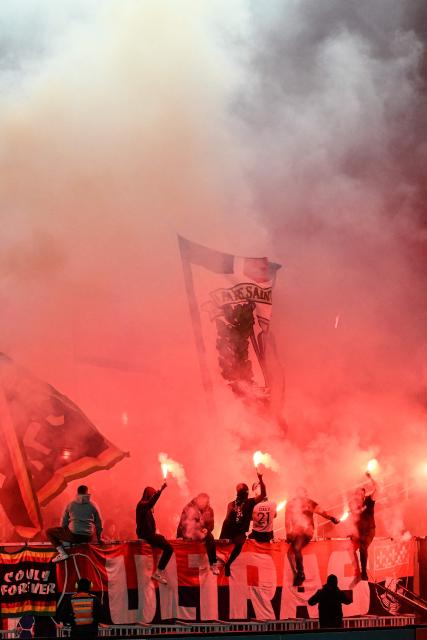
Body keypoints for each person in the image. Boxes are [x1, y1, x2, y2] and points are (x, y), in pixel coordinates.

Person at [285, 487, 339, 586]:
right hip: (296, 532)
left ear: (306, 494)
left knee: (296, 548)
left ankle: (301, 573)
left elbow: (322, 512)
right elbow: (287, 520)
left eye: (303, 494)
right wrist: (288, 534)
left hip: (307, 531)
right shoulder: (291, 504)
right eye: (299, 493)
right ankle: (298, 573)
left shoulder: (310, 503)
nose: (302, 496)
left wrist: (331, 518)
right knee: (291, 551)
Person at [220, 472, 266, 576]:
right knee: (234, 543)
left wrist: (261, 479)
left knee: (240, 542)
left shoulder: (249, 502)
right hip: (231, 531)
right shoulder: (232, 504)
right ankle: (222, 563)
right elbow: (226, 520)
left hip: (238, 533)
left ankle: (228, 564)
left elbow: (263, 495)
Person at [47, 485, 102, 563]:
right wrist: (99, 538)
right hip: (88, 537)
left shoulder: (71, 504)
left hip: (74, 536)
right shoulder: (93, 505)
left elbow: (64, 523)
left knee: (49, 532)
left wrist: (64, 532)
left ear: (77, 493)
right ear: (87, 493)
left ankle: (62, 553)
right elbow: (99, 522)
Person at [136, 482, 173, 584]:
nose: (153, 498)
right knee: (169, 548)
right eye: (152, 495)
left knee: (163, 540)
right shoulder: (142, 505)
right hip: (147, 535)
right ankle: (158, 573)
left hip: (148, 534)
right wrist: (160, 491)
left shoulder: (146, 508)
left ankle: (158, 572)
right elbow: (151, 503)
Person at [177, 493, 220, 574]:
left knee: (210, 538)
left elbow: (211, 525)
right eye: (201, 502)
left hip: (202, 532)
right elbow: (182, 522)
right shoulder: (189, 508)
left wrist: (207, 529)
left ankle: (213, 564)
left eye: (204, 503)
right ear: (197, 500)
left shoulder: (209, 510)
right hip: (190, 531)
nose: (202, 505)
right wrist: (179, 535)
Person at [350, 471, 377, 581]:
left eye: (361, 493)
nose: (359, 495)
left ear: (364, 494)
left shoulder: (369, 500)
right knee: (356, 548)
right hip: (360, 531)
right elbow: (354, 520)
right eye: (357, 493)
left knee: (363, 547)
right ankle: (358, 572)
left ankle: (364, 573)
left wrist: (370, 478)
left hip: (370, 530)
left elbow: (377, 488)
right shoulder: (355, 506)